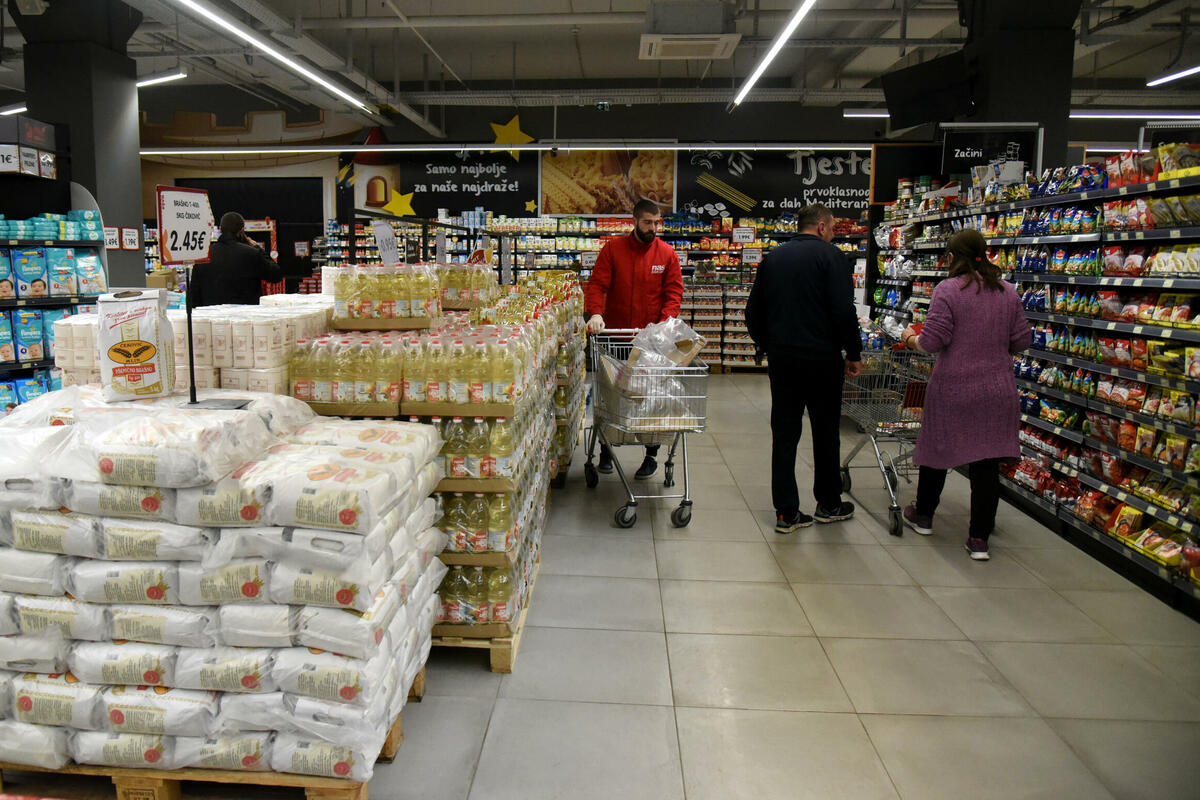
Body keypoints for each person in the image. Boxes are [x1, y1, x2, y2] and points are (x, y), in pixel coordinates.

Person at [900, 228, 1032, 561]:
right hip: (997, 390)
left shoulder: (948, 290)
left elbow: (933, 341)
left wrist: (910, 338)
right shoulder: (1008, 291)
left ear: (951, 257)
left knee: (937, 450)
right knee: (987, 464)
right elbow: (1022, 340)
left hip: (953, 388)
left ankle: (924, 515)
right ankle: (979, 539)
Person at [745, 202, 861, 533]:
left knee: (784, 434)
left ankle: (786, 513)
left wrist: (770, 345)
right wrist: (853, 352)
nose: (834, 233)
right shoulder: (833, 257)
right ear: (821, 226)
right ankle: (829, 503)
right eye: (833, 227)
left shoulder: (773, 259)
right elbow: (843, 311)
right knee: (825, 432)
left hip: (783, 359)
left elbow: (752, 313)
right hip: (823, 360)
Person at [584, 198, 683, 480]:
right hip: (614, 336)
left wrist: (664, 322)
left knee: (650, 399)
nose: (653, 228)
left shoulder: (666, 254)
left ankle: (651, 454)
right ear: (635, 221)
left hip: (650, 343)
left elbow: (673, 292)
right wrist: (596, 313)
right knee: (611, 395)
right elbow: (598, 285)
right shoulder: (613, 249)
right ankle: (606, 448)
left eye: (656, 223)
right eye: (647, 222)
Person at [189, 212, 283, 308]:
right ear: (242, 230)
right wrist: (258, 248)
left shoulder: (204, 255)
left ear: (220, 229)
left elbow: (194, 294)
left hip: (211, 315)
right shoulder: (251, 253)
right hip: (244, 314)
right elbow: (276, 275)